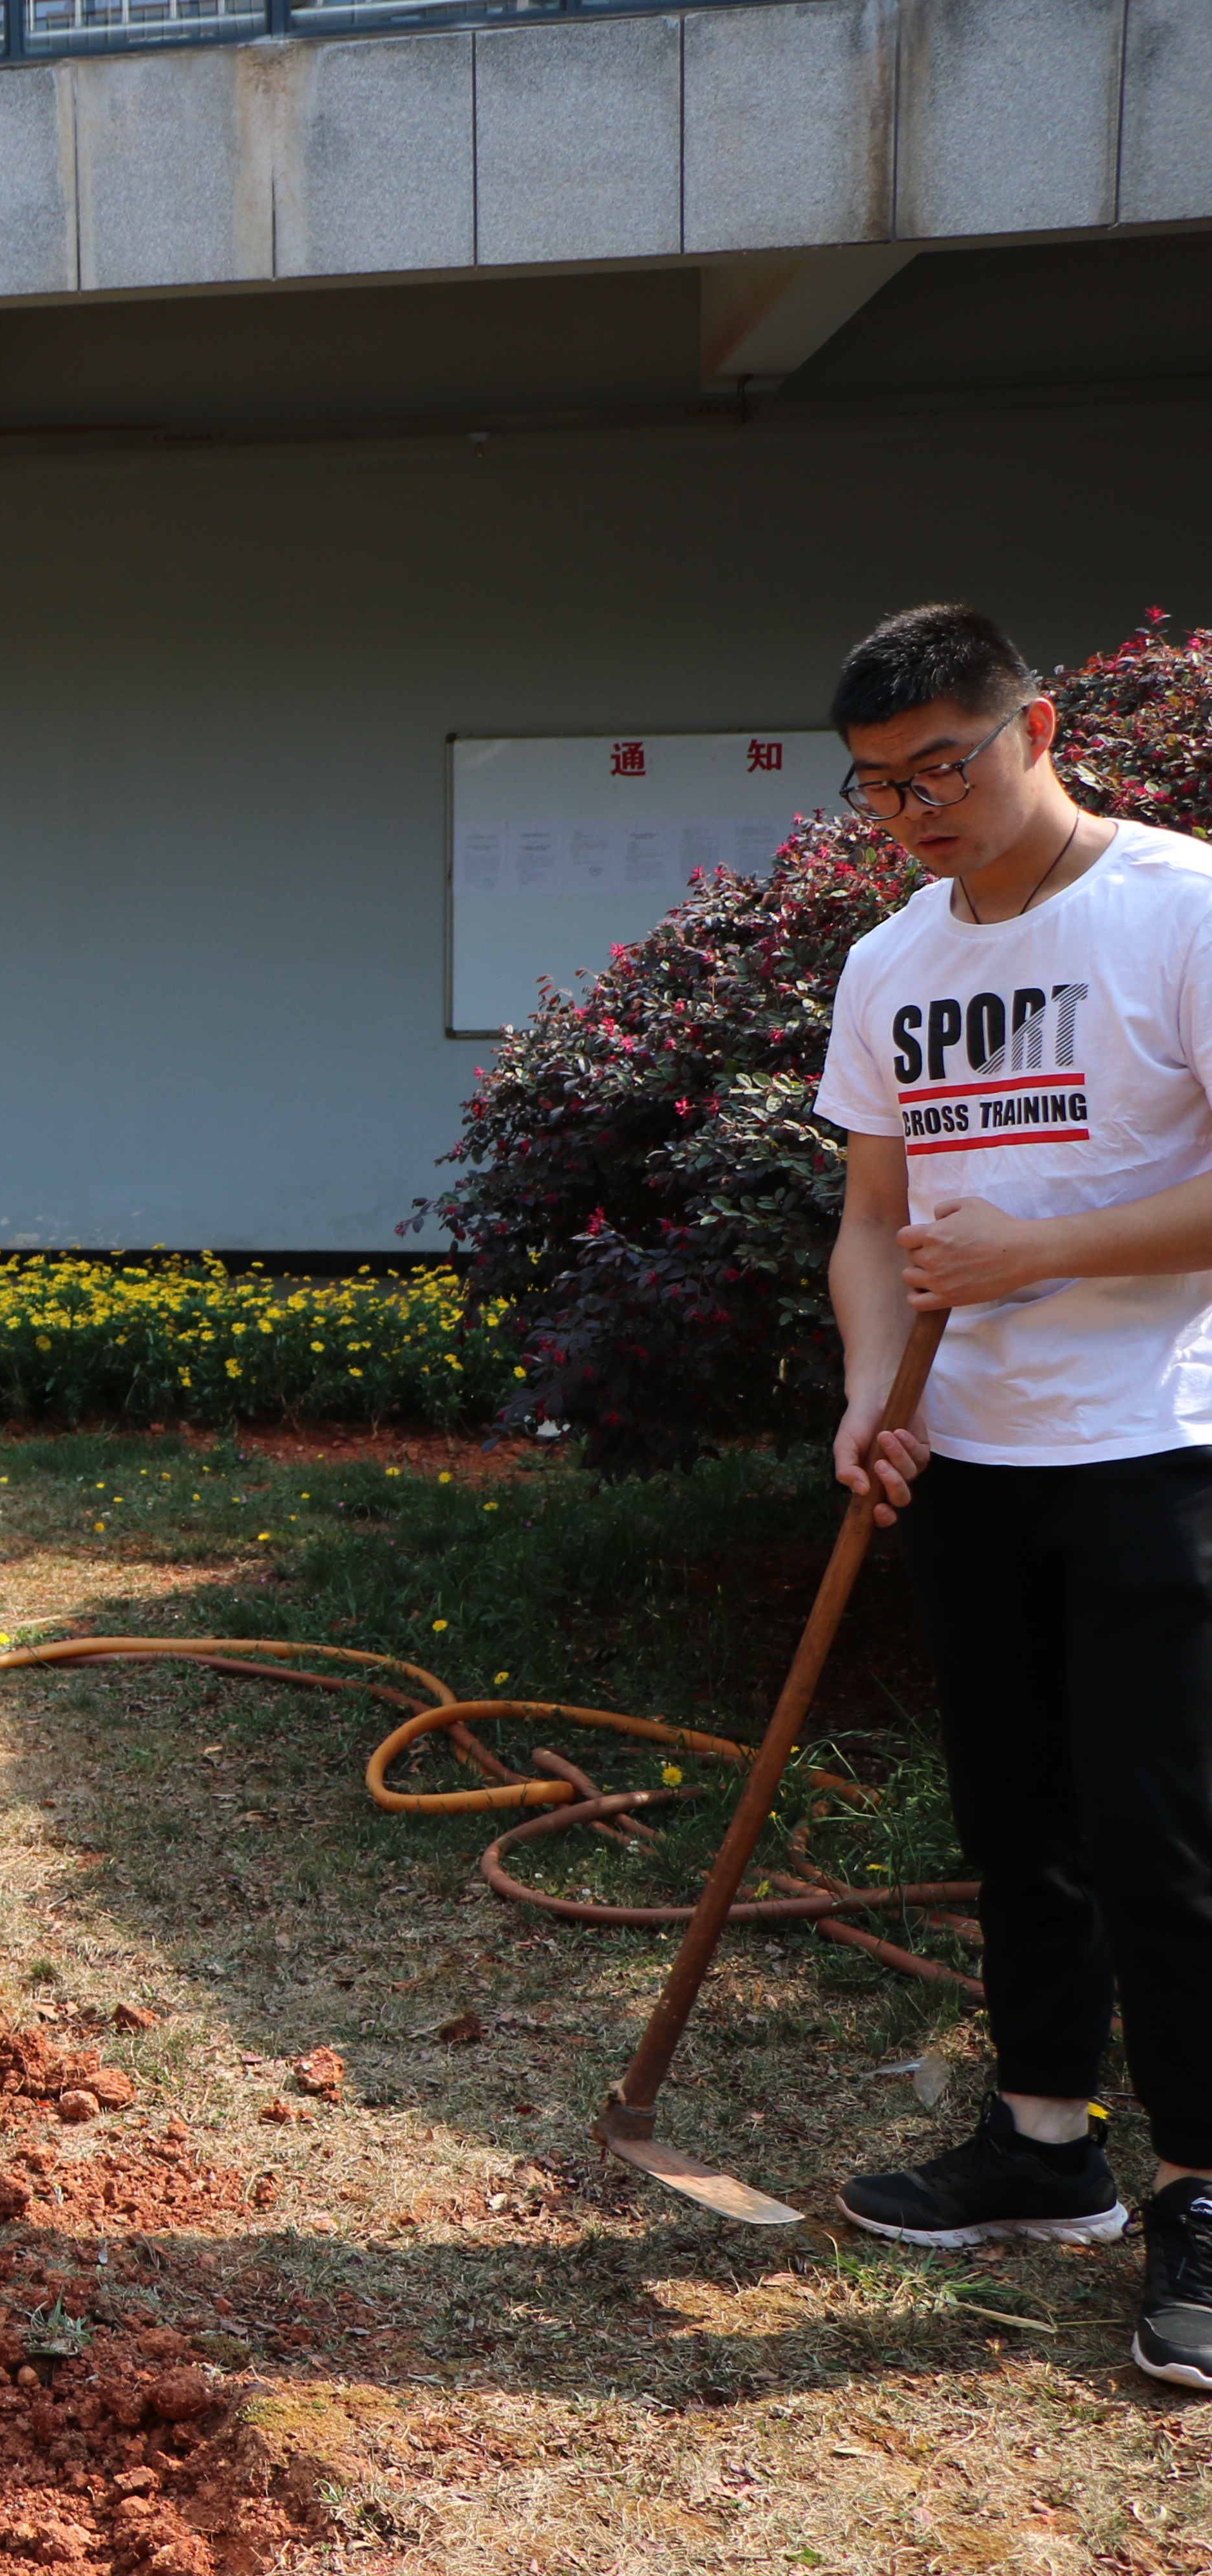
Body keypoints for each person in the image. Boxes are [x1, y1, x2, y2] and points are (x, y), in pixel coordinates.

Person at [814, 603, 1212, 2393]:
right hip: (967, 1448)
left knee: (1166, 1836)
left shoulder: (1180, 908)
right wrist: (862, 1396)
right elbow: (873, 1227)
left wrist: (1042, 1246)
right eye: (879, 790)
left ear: (1036, 726)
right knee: (1018, 1820)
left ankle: (1207, 2195)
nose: (913, 813)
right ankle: (1047, 2146)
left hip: (1163, 1439)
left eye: (942, 769)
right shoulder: (892, 962)